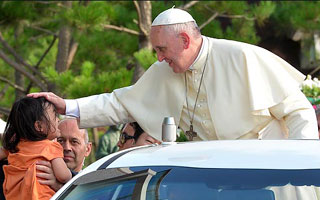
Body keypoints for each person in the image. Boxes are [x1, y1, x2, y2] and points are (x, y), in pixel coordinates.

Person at [28, 8, 318, 141]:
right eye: (156, 50)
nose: (158, 58)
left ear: (185, 41)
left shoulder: (241, 56)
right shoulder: (164, 70)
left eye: (162, 49)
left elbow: (298, 111)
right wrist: (68, 105)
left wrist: (294, 159)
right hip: (212, 172)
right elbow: (119, 104)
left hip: (265, 168)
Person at [0, 97, 71, 200]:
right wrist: (68, 176)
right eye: (54, 115)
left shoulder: (15, 146)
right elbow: (64, 176)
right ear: (39, 126)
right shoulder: (50, 147)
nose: (58, 119)